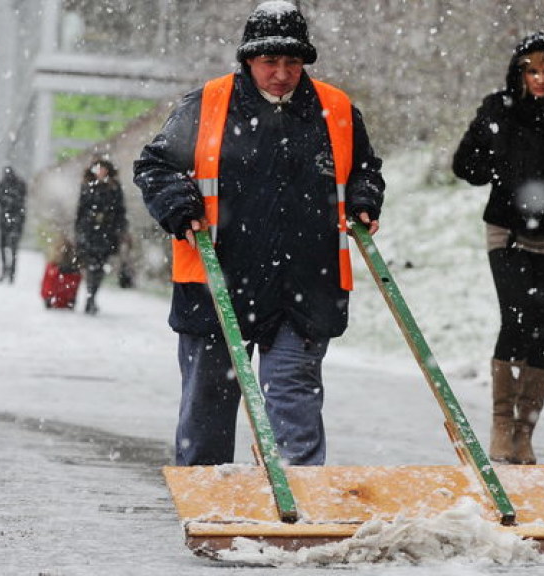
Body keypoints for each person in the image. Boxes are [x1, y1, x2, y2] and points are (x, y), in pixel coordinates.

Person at [133, 1, 385, 467]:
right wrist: (177, 204)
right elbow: (155, 166)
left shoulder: (336, 109)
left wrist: (365, 199)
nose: (282, 73)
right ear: (248, 60)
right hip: (217, 280)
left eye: (292, 62)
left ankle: (300, 503)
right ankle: (208, 503)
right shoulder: (207, 104)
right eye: (270, 62)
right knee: (208, 403)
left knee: (294, 398)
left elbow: (364, 169)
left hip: (306, 282)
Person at [452, 32, 544, 465]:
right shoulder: (498, 109)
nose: (540, 78)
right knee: (516, 318)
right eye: (532, 70)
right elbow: (466, 165)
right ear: (519, 72)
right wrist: (505, 168)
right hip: (508, 233)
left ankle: (525, 431)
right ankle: (502, 425)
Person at [74, 158, 128, 315]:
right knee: (91, 265)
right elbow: (80, 210)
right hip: (89, 231)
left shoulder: (114, 187)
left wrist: (121, 229)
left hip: (107, 232)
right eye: (98, 169)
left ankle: (92, 296)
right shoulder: (86, 187)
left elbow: (120, 211)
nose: (100, 172)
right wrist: (79, 231)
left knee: (100, 265)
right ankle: (90, 297)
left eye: (103, 169)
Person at [0, 166, 27, 283]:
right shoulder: (4, 185)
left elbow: (21, 199)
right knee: (8, 247)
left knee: (11, 247)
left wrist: (8, 200)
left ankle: (9, 272)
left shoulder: (17, 185)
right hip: (8, 220)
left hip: (14, 220)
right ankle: (7, 271)